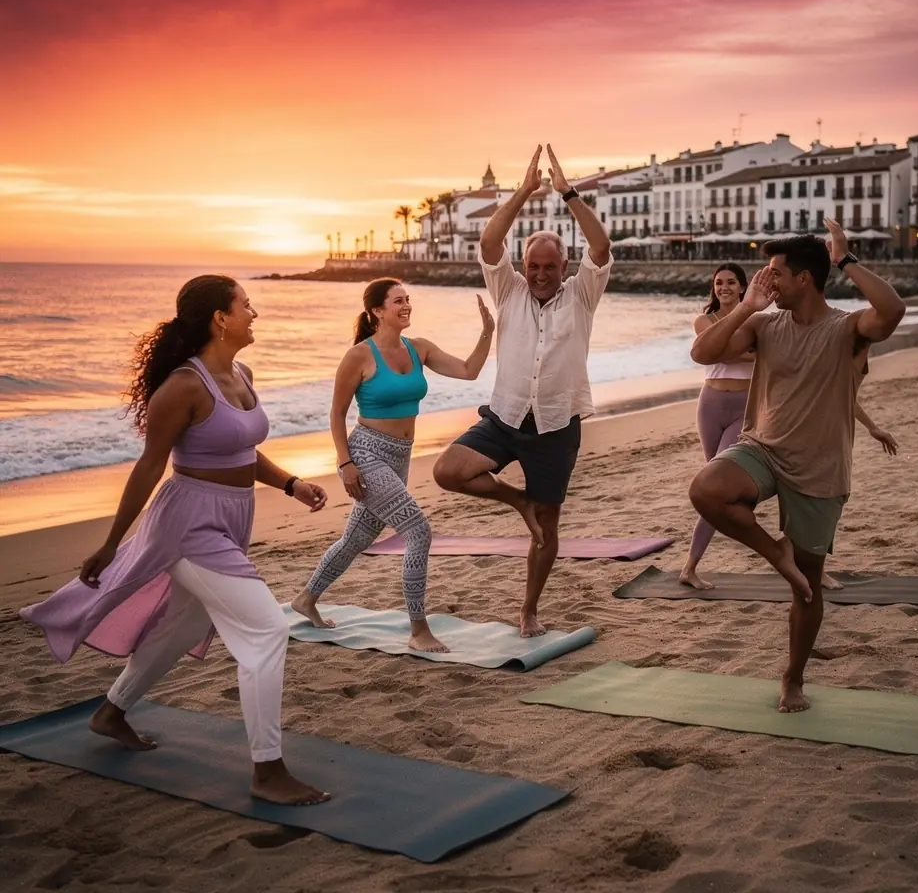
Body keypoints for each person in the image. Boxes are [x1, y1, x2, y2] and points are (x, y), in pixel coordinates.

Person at [20, 275, 331, 805]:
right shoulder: (183, 387)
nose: (254, 313)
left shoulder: (241, 373)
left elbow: (239, 449)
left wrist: (291, 483)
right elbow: (148, 468)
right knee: (266, 631)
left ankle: (111, 711)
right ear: (220, 319)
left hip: (234, 517)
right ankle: (268, 770)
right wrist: (113, 542)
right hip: (190, 524)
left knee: (184, 621)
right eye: (246, 305)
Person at [687, 221, 905, 713]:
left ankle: (793, 677)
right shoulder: (764, 323)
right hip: (762, 449)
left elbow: (892, 310)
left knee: (807, 588)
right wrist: (746, 305)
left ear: (804, 278)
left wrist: (845, 260)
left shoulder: (849, 329)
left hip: (820, 468)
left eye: (774, 274)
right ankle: (775, 553)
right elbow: (702, 352)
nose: (767, 281)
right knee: (706, 489)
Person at [432, 144, 613, 637]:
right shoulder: (508, 289)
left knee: (548, 529)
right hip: (505, 418)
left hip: (557, 425)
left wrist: (568, 194)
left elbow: (601, 248)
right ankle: (519, 502)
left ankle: (530, 607)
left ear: (563, 267)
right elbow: (491, 243)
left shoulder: (581, 294)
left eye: (548, 267)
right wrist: (524, 191)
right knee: (448, 470)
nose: (538, 274)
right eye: (532, 265)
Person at [290, 279, 494, 653]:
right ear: (377, 311)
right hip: (366, 454)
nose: (406, 305)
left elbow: (468, 371)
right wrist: (346, 463)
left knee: (356, 539)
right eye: (398, 301)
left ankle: (306, 599)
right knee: (419, 532)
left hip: (400, 455)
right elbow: (336, 415)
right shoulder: (359, 356)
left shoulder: (419, 349)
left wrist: (487, 332)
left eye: (408, 299)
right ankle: (418, 629)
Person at [681, 262, 900, 591]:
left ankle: (809, 563)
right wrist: (754, 334)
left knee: (724, 485)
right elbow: (707, 352)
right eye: (718, 283)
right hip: (711, 406)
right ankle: (693, 566)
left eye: (729, 282)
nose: (722, 288)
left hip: (748, 407)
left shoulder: (773, 328)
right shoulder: (730, 322)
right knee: (712, 486)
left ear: (743, 286)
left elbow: (835, 391)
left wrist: (871, 426)